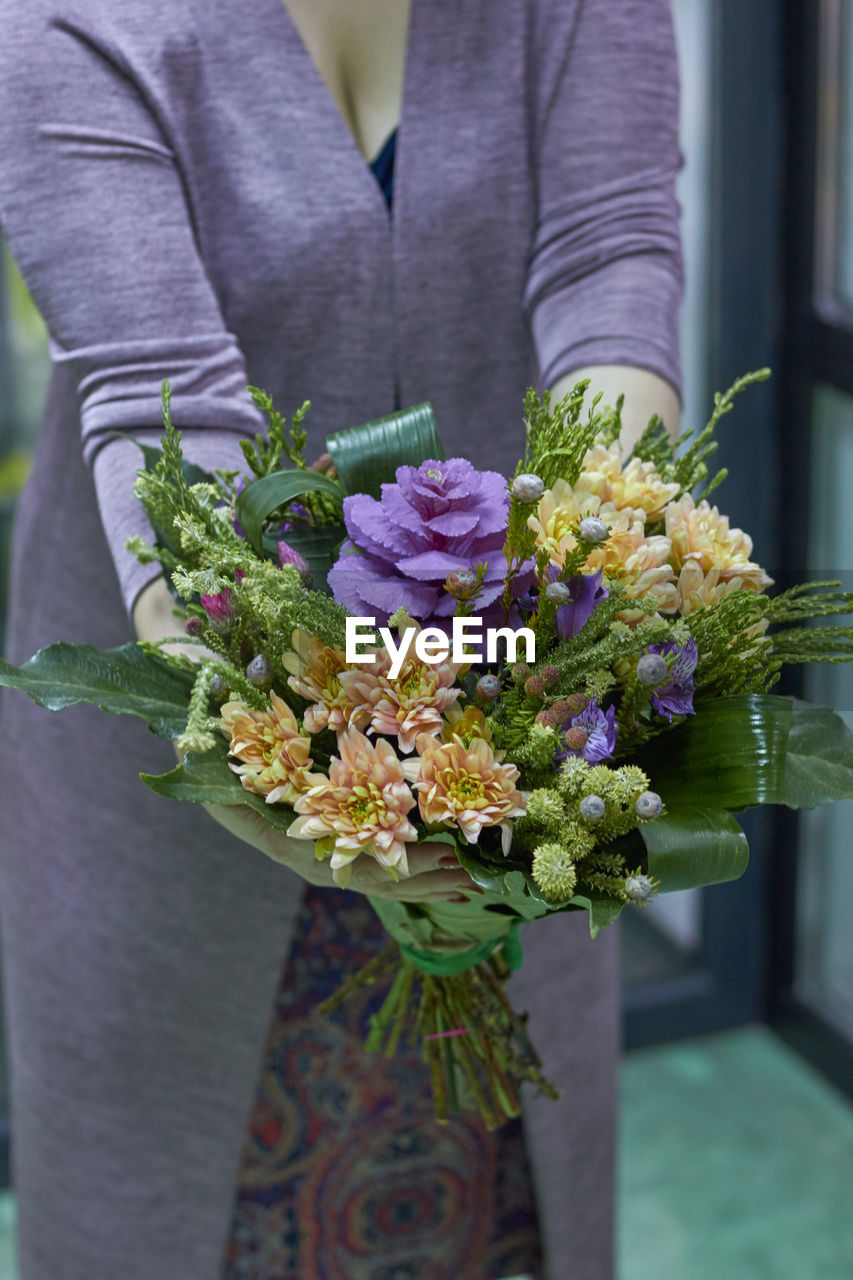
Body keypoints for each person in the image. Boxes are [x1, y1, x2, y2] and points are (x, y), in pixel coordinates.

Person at [0, 0, 682, 1276]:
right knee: (169, 1201)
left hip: (501, 703)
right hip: (173, 732)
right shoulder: (73, 21)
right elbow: (166, 399)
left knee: (497, 1175)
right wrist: (249, 734)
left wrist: (589, 585)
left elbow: (610, 255)